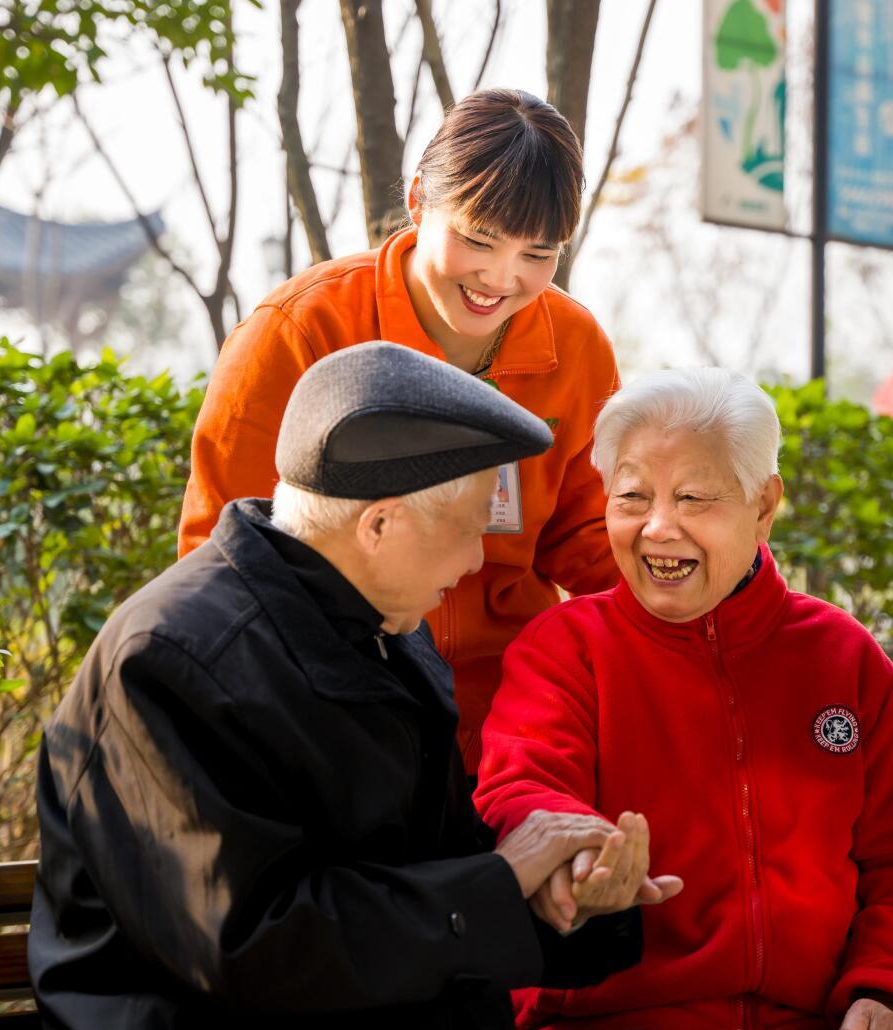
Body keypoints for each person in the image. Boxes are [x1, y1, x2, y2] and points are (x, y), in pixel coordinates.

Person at [29, 342, 709, 1030]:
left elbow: (427, 865)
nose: (481, 559)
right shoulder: (169, 660)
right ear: (379, 525)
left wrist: (569, 898)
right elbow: (253, 949)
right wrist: (495, 881)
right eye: (469, 526)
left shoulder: (386, 626)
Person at [474, 368, 893, 1030]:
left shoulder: (841, 656)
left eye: (693, 498)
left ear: (763, 505)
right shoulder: (567, 648)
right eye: (632, 497)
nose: (657, 527)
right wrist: (584, 859)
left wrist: (891, 991)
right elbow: (523, 787)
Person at [178, 89, 622, 773]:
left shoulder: (576, 344)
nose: (500, 278)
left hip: (518, 734)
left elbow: (596, 544)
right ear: (418, 198)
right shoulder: (299, 333)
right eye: (477, 238)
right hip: (334, 726)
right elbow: (221, 558)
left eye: (539, 252)